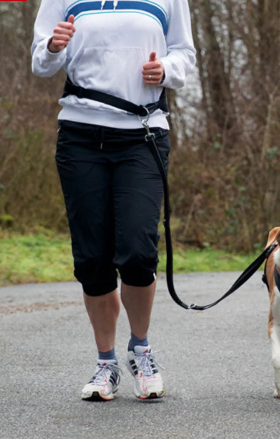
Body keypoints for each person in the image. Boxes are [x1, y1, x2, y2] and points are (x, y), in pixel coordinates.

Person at [31, 0, 196, 401]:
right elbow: (41, 63)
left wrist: (166, 71)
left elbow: (184, 57)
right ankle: (106, 364)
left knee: (138, 250)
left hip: (142, 134)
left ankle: (140, 349)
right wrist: (54, 46)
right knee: (92, 257)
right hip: (80, 136)